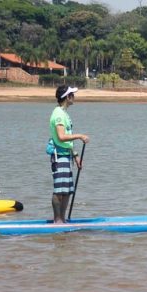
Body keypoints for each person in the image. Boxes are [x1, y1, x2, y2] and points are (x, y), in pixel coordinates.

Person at [48, 85, 89, 223]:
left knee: (67, 191)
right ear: (67, 97)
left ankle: (62, 220)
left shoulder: (65, 113)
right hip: (59, 156)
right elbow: (61, 136)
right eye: (72, 94)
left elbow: (67, 139)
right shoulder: (58, 114)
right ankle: (56, 220)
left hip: (66, 155)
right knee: (59, 190)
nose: (74, 97)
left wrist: (76, 155)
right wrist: (80, 136)